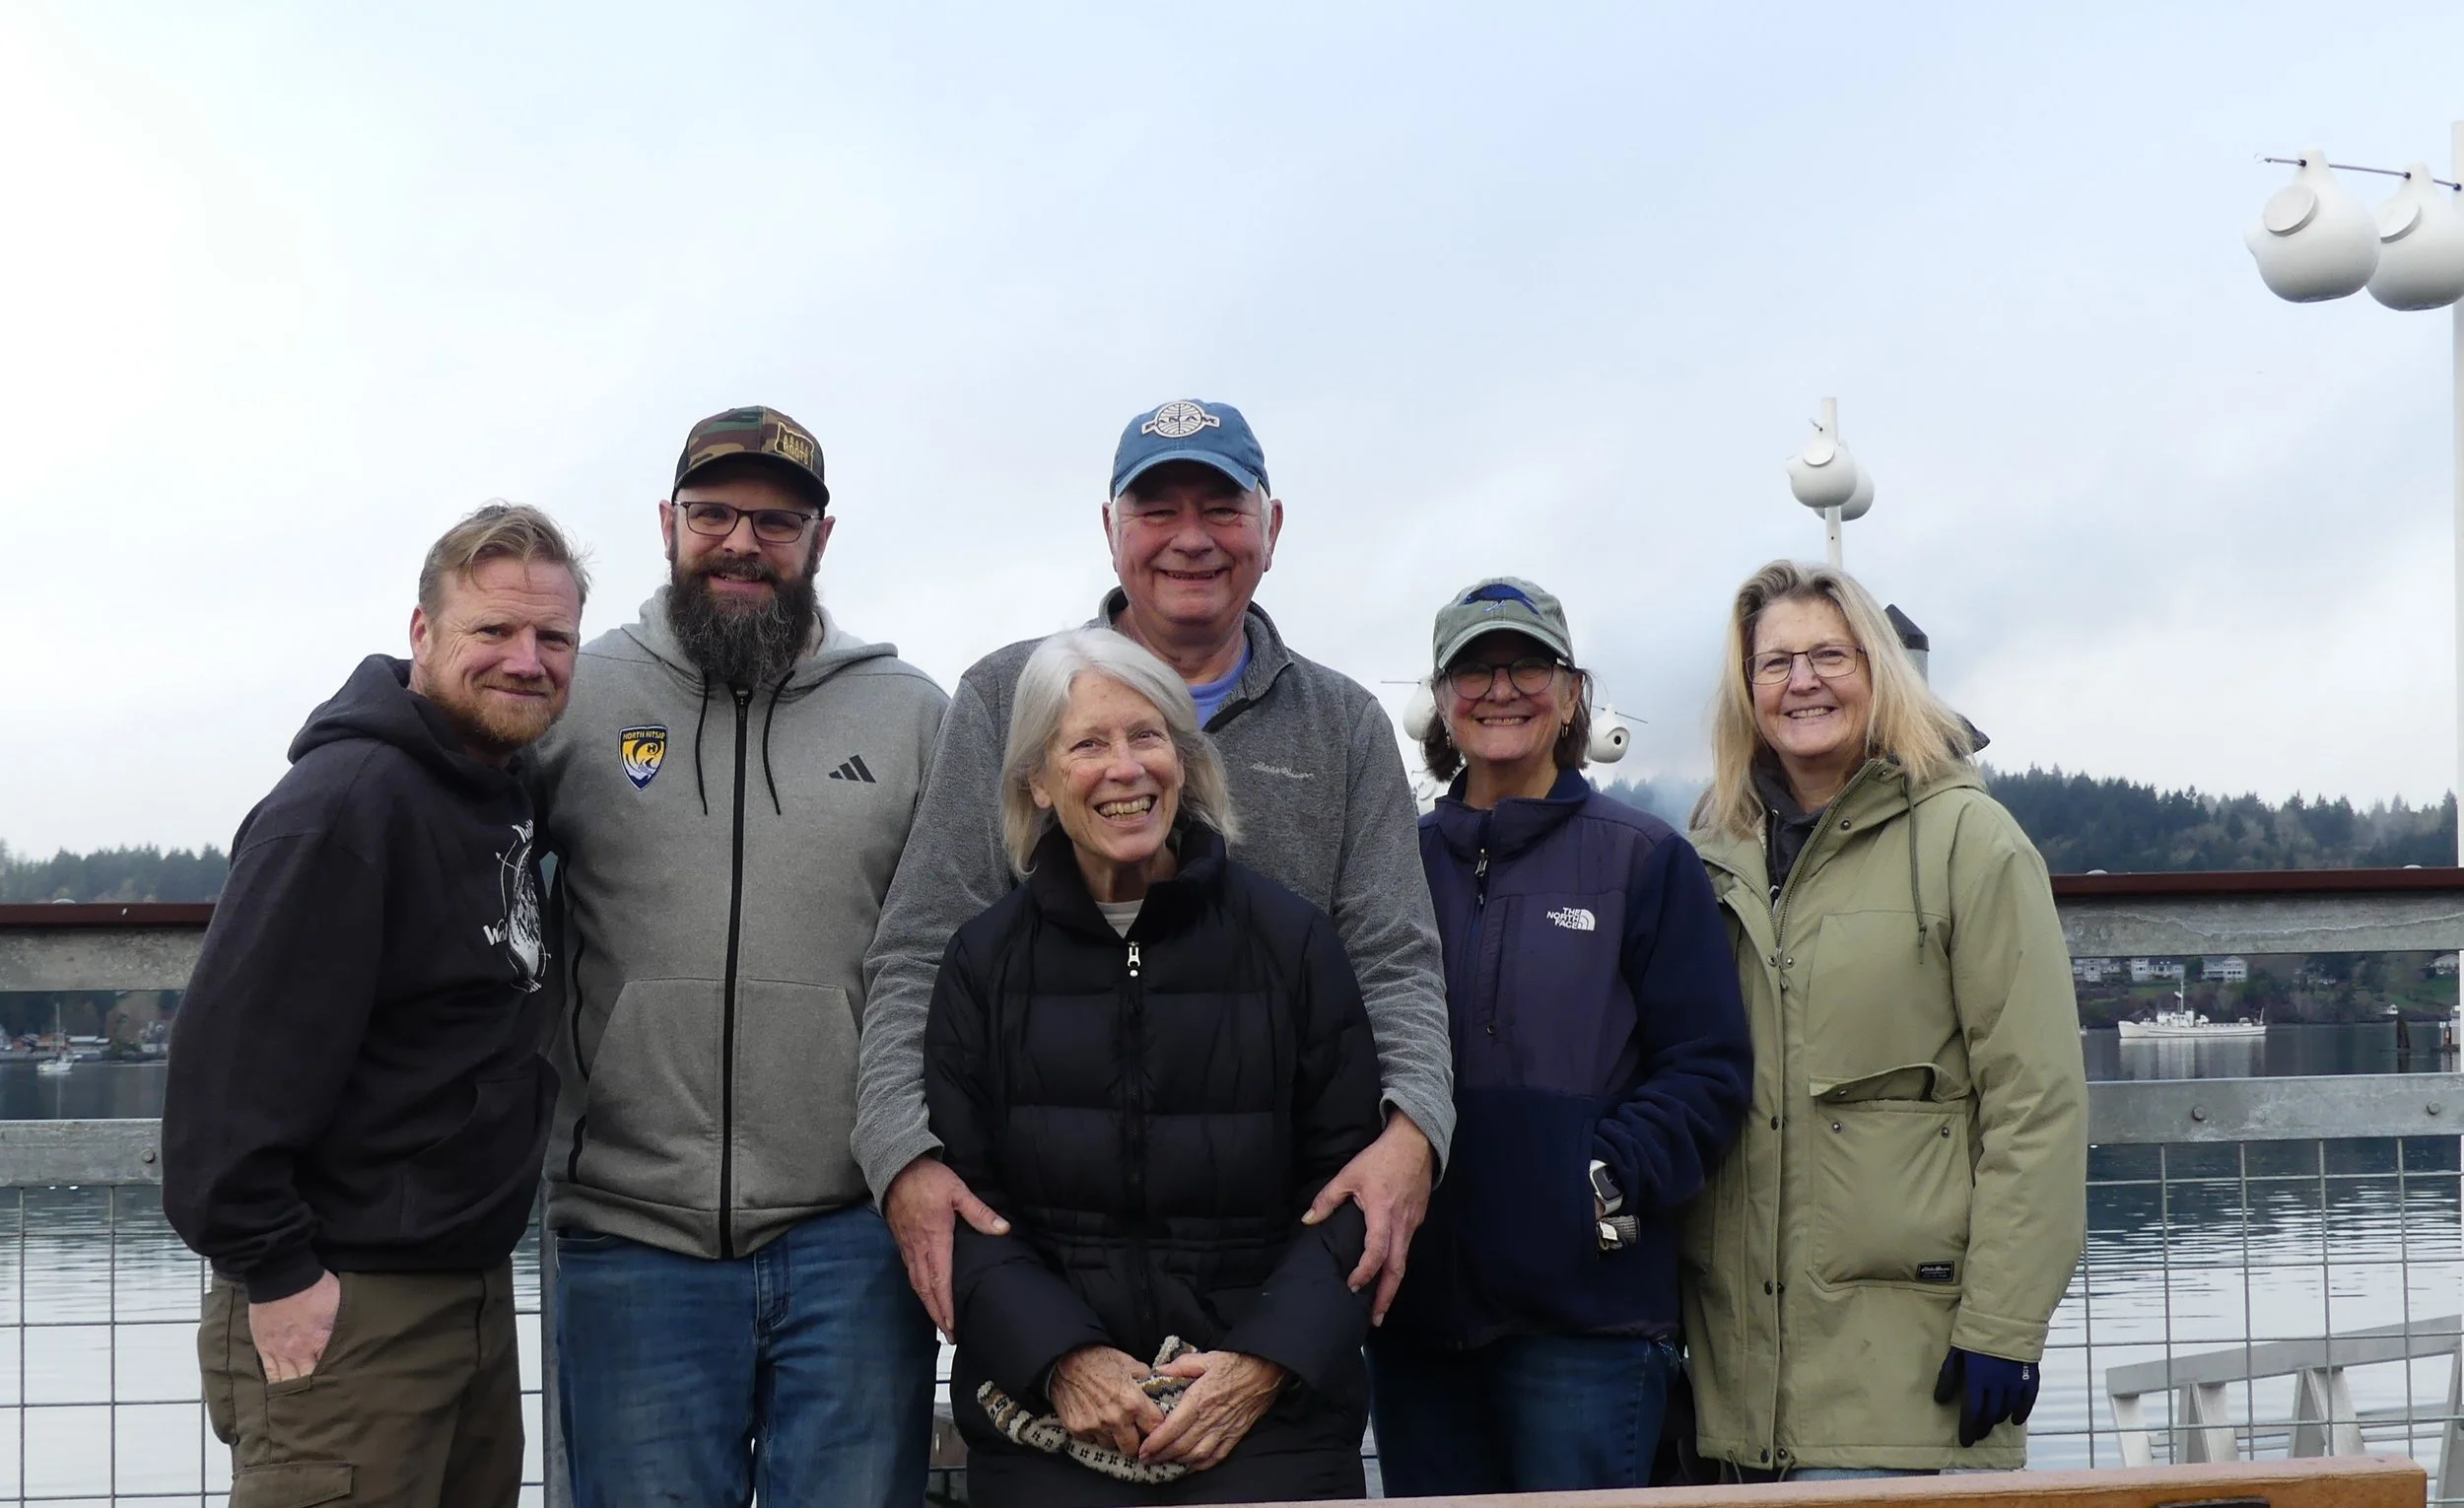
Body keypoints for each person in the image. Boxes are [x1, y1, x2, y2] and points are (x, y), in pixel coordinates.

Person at [859, 398, 1454, 1345]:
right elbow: (921, 951)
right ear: (1110, 530)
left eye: (1221, 508)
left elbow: (1394, 957)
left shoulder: (1342, 725)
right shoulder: (1003, 698)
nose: (1190, 540)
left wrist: (1415, 1131)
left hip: (1281, 1264)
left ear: (1272, 527)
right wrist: (902, 1155)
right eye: (1155, 509)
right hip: (1051, 1268)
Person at [527, 406, 949, 1506]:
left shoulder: (911, 716)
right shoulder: (576, 694)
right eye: (714, 513)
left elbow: (960, 959)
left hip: (855, 1241)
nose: (741, 543)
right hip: (629, 1241)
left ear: (820, 538)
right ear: (667, 523)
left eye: (776, 520)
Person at [163, 504, 588, 1508]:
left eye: (554, 638)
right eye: (493, 631)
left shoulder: (499, 790)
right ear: (423, 634)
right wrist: (278, 1275)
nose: (526, 660)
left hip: (465, 1291)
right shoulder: (343, 807)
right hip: (345, 1305)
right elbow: (222, 1080)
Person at [927, 629, 1384, 1505]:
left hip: (1269, 1421)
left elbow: (1351, 1192)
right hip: (1049, 1425)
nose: (1125, 769)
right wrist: (1066, 1363)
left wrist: (1260, 1366)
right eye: (1088, 744)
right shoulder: (982, 965)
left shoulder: (1290, 947)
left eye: (1148, 737)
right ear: (1038, 780)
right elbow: (964, 1204)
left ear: (1186, 760)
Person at [1682, 560, 2088, 1479]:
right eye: (1775, 662)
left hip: (1914, 1382)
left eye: (1831, 653)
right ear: (1747, 691)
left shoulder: (1970, 842)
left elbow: (2038, 1103)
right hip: (1736, 1396)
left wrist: (2005, 1325)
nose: (1804, 681)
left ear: (1879, 668)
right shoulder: (1712, 853)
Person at [1366, 577, 1752, 1495]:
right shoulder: (1393, 862)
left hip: (1587, 1321)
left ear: (1573, 692)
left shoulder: (1644, 859)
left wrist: (1596, 1181)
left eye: (1528, 665)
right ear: (1441, 702)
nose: (1501, 689)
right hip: (1416, 1313)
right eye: (1473, 669)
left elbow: (1709, 1072)